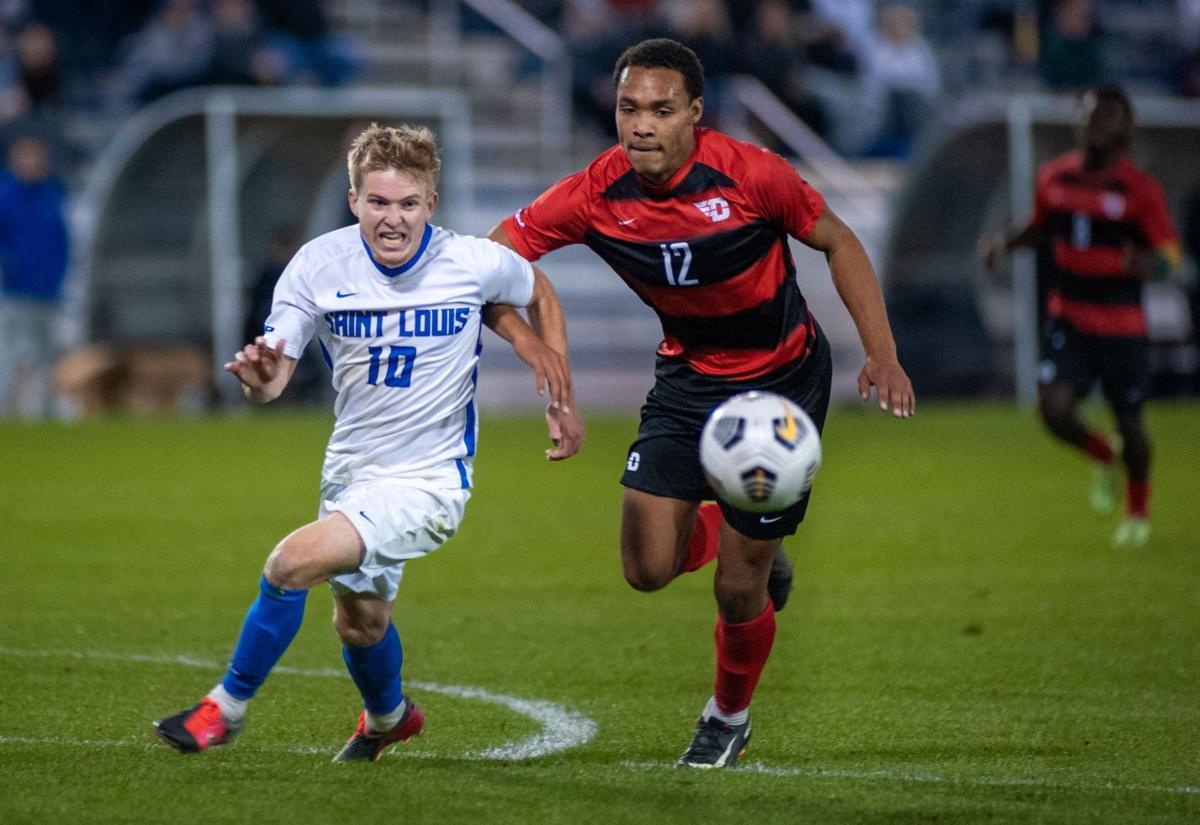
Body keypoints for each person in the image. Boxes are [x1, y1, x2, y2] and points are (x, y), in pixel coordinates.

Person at [485, 38, 914, 768]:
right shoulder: (596, 191)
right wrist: (533, 346)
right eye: (628, 108)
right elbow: (492, 257)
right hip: (689, 380)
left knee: (738, 587)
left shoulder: (751, 175)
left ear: (695, 114)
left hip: (782, 383)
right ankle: (737, 529)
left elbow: (838, 241)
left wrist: (882, 351)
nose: (641, 124)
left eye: (660, 109)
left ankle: (728, 715)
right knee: (646, 566)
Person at [152, 123, 583, 761]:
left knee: (288, 565)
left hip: (430, 482)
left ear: (430, 205)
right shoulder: (318, 265)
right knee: (360, 622)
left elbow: (537, 288)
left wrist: (558, 388)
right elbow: (273, 382)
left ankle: (226, 708)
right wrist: (262, 381)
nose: (393, 219)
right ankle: (389, 717)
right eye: (378, 203)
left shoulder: (468, 260)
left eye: (408, 204)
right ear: (353, 200)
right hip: (352, 471)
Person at [981, 85, 1180, 549]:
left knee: (1132, 423)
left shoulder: (1139, 191)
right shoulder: (1054, 177)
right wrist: (1002, 245)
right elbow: (1039, 229)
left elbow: (1171, 258)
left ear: (1124, 128)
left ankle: (1136, 513)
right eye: (1088, 115)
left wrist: (1148, 266)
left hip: (1122, 327)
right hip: (1069, 317)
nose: (1093, 125)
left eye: (1104, 117)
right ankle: (1104, 456)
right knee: (1054, 410)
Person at [0, 134, 69, 419]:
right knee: (9, 356)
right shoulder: (5, 195)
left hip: (49, 290)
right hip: (14, 290)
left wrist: (60, 275)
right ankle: (5, 414)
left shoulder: (52, 193)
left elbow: (62, 240)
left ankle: (50, 414)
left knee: (51, 358)